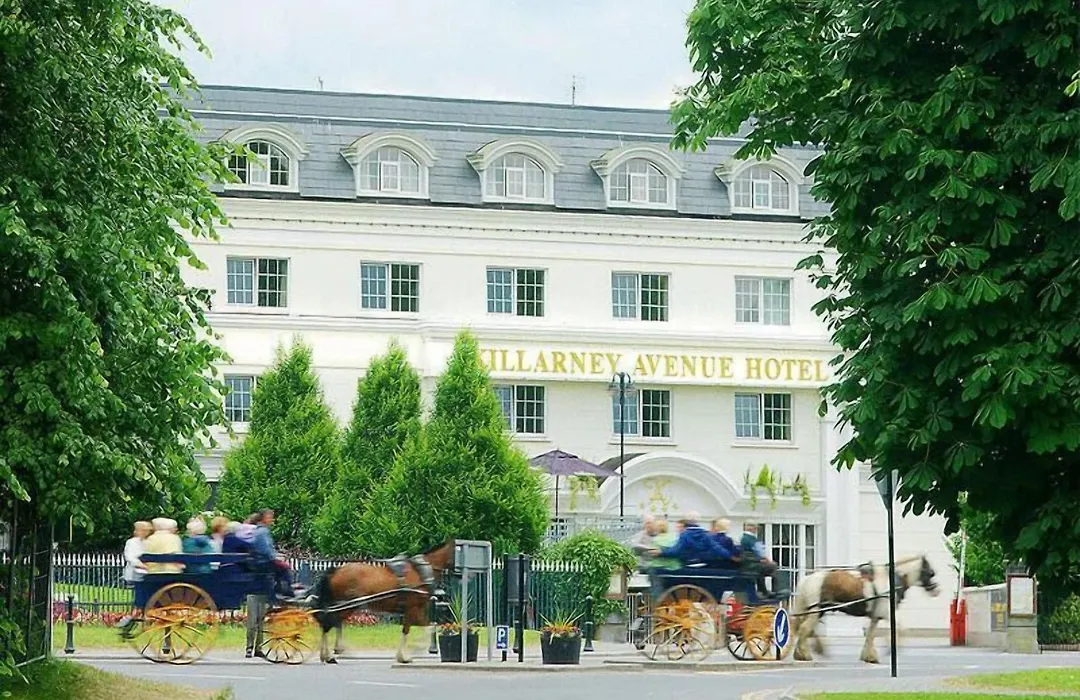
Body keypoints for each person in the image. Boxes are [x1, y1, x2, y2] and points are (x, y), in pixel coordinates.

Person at [655, 514, 737, 567]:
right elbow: (717, 548)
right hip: (703, 563)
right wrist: (730, 556)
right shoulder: (705, 534)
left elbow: (677, 550)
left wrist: (662, 552)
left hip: (688, 563)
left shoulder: (685, 535)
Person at [116, 521, 151, 636]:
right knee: (140, 601)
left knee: (143, 600)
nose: (146, 532)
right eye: (143, 530)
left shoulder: (148, 542)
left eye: (147, 530)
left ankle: (134, 619)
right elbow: (130, 557)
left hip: (147, 574)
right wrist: (141, 565)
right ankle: (129, 621)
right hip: (136, 574)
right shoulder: (131, 542)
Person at [739, 523, 777, 598]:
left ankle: (762, 590)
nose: (756, 529)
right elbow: (759, 551)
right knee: (773, 566)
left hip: (749, 564)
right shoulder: (751, 539)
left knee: (762, 571)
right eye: (755, 527)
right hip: (752, 565)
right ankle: (774, 590)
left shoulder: (743, 538)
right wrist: (766, 560)